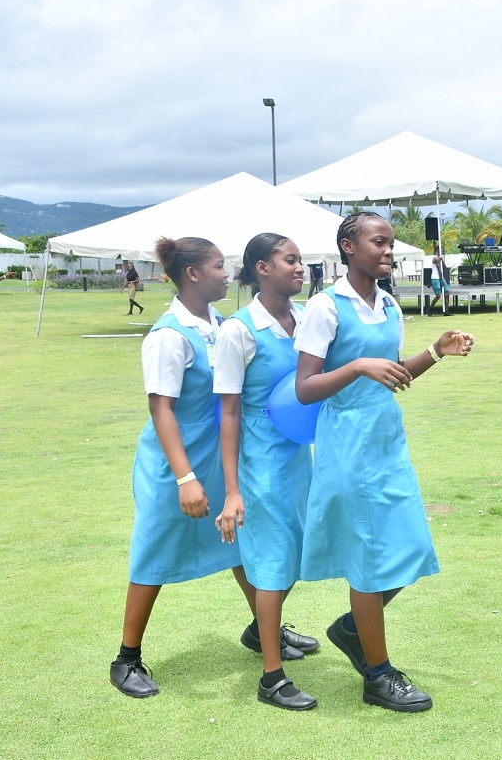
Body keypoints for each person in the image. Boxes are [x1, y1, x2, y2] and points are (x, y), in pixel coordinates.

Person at [293, 212, 474, 713]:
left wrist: (436, 352)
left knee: (410, 545)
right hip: (347, 442)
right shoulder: (325, 307)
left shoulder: (390, 304)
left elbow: (392, 375)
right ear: (348, 247)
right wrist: (354, 366)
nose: (390, 251)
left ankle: (352, 630)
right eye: (380, 242)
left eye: (391, 243)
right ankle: (378, 675)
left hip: (385, 440)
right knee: (370, 560)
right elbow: (304, 389)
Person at [111, 236, 306, 700]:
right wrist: (185, 478)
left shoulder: (220, 324)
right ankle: (126, 657)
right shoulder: (168, 335)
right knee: (154, 549)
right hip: (175, 460)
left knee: (240, 543)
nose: (226, 273)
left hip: (219, 454)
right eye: (219, 266)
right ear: (194, 274)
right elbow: (162, 412)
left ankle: (264, 630)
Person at [214, 233, 320, 711]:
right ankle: (272, 678)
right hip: (261, 463)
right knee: (275, 557)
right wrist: (232, 490)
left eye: (301, 261)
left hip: (297, 455)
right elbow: (229, 412)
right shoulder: (238, 330)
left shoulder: (303, 320)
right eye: (290, 260)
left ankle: (263, 629)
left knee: (298, 548)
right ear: (261, 268)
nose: (301, 268)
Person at [426, 245, 451, 316]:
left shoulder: (439, 259)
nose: (442, 252)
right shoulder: (435, 258)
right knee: (438, 295)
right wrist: (441, 280)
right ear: (438, 250)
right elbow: (439, 269)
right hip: (436, 278)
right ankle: (429, 310)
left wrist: (442, 260)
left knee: (447, 293)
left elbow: (444, 269)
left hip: (441, 277)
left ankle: (446, 311)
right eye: (441, 251)